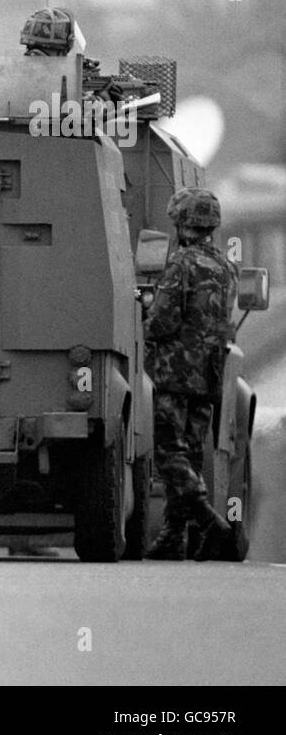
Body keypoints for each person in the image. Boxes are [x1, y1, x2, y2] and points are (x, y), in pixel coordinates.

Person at [144, 187, 236, 561]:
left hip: (174, 372)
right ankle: (174, 536)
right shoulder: (225, 267)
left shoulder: (181, 263)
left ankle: (210, 522)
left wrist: (145, 320)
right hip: (208, 374)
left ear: (182, 222)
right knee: (193, 453)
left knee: (169, 454)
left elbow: (163, 320)